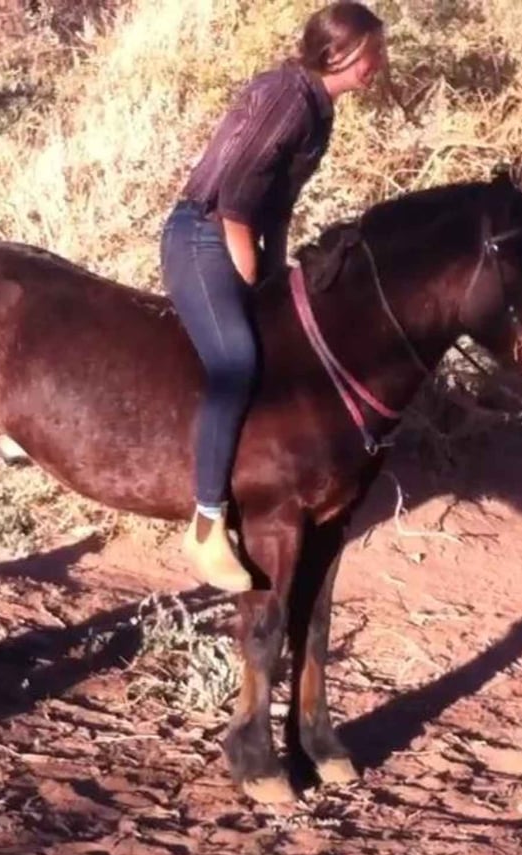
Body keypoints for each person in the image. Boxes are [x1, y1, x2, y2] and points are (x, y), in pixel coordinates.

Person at [161, 2, 388, 592]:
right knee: (236, 361)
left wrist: (280, 274)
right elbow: (235, 202)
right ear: (342, 53)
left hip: (236, 235)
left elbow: (279, 207)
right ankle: (206, 524)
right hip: (202, 235)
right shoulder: (289, 96)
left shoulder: (318, 109)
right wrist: (251, 273)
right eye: (375, 52)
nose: (381, 63)